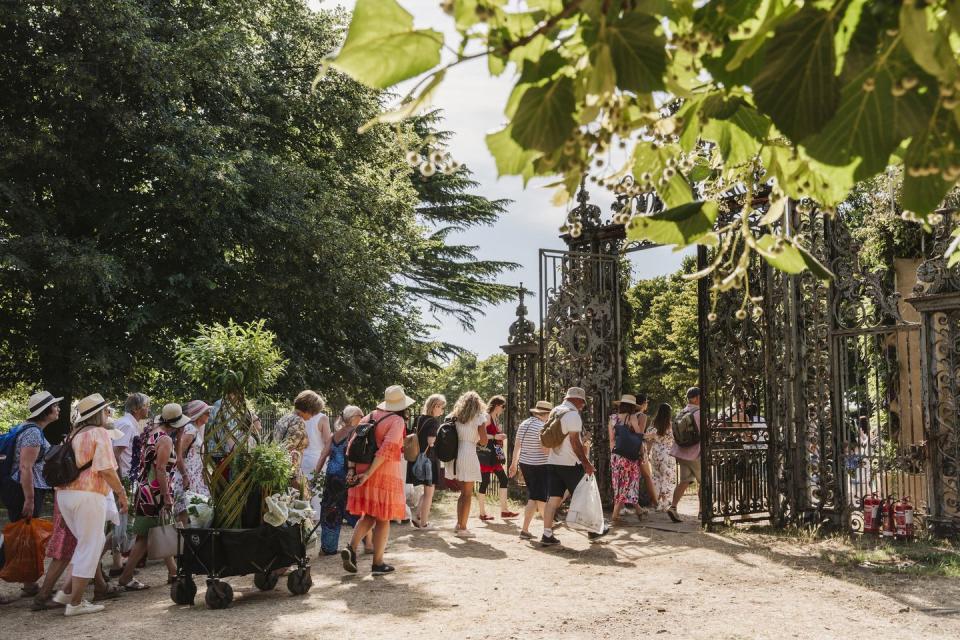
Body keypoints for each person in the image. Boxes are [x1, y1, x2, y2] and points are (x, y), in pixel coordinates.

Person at [51, 394, 128, 616]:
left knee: (85, 544)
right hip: (88, 495)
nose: (109, 414)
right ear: (97, 414)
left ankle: (66, 592)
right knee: (91, 546)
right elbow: (106, 469)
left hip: (66, 495)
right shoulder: (99, 433)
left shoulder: (73, 434)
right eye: (106, 411)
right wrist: (121, 494)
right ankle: (75, 603)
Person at [341, 386, 412, 576]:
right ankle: (378, 563)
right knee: (383, 518)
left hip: (361, 469)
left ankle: (351, 548)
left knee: (369, 515)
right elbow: (386, 450)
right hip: (381, 472)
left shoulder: (370, 416)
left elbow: (351, 446)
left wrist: (352, 470)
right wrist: (369, 474)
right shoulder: (397, 421)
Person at [117, 403, 189, 590]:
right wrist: (166, 496)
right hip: (155, 492)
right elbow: (160, 469)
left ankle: (173, 571)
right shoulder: (165, 440)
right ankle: (126, 577)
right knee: (144, 537)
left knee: (158, 530)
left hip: (147, 490)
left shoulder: (153, 434)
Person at [0, 390, 61, 603]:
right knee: (15, 538)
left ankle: (29, 584)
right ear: (46, 411)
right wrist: (30, 499)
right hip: (23, 489)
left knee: (25, 536)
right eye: (54, 406)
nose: (58, 409)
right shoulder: (33, 433)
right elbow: (25, 467)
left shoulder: (26, 429)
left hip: (21, 488)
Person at [541, 387, 596, 547]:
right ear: (577, 400)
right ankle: (593, 531)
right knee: (584, 496)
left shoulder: (555, 411)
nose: (583, 406)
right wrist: (586, 463)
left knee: (553, 499)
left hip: (553, 462)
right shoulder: (573, 415)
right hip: (570, 464)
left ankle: (547, 534)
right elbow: (575, 443)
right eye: (583, 403)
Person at [317, 405, 368, 555]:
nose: (363, 417)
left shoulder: (334, 435)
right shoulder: (355, 433)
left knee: (330, 510)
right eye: (361, 415)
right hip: (347, 477)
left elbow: (322, 456)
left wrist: (315, 475)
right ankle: (369, 542)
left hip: (331, 478)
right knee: (354, 510)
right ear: (353, 418)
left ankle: (328, 547)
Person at [443, 391, 488, 538]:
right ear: (477, 404)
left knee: (462, 493)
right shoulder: (479, 417)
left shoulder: (454, 417)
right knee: (468, 494)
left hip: (455, 455)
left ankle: (458, 524)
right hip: (468, 453)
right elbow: (483, 441)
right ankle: (463, 528)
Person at [508, 400, 552, 540]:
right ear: (546, 414)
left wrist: (514, 464)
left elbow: (517, 447)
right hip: (540, 465)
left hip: (525, 464)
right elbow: (545, 450)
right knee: (541, 499)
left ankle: (526, 530)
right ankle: (548, 530)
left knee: (534, 497)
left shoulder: (524, 424)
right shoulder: (542, 426)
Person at [171, 400, 212, 526]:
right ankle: (181, 541)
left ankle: (189, 541)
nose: (209, 416)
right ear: (199, 414)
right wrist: (184, 476)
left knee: (198, 512)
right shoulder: (190, 430)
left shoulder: (195, 430)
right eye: (207, 413)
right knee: (185, 513)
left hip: (195, 477)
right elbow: (178, 455)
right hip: (187, 477)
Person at [477, 395, 518, 521]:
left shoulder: (495, 418)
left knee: (503, 479)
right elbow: (479, 435)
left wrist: (499, 436)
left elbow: (493, 435)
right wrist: (495, 436)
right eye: (503, 406)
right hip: (486, 453)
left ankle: (504, 510)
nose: (504, 409)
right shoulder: (487, 416)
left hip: (494, 453)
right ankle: (482, 513)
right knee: (485, 481)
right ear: (496, 405)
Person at [408, 394, 446, 529]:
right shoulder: (434, 422)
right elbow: (431, 442)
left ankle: (418, 516)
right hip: (429, 459)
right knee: (429, 491)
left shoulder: (419, 418)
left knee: (426, 490)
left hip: (417, 457)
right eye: (441, 407)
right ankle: (424, 523)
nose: (442, 410)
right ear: (435, 406)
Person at [608, 394, 647, 524]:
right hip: (629, 457)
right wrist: (641, 454)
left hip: (616, 456)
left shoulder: (612, 418)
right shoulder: (632, 417)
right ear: (632, 407)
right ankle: (615, 516)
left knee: (620, 484)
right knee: (628, 483)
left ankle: (639, 509)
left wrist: (614, 455)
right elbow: (638, 437)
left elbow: (612, 440)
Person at [667, 387, 702, 523]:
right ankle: (702, 512)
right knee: (703, 482)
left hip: (681, 453)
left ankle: (673, 507)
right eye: (699, 396)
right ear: (695, 398)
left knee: (684, 481)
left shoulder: (682, 412)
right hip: (695, 453)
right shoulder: (699, 413)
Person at [645, 403, 677, 512]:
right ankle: (665, 502)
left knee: (656, 477)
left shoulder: (653, 424)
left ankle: (657, 502)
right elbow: (676, 440)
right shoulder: (671, 425)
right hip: (668, 454)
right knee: (667, 477)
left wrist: (648, 452)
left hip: (656, 453)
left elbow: (648, 439)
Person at [112, 392, 150, 481]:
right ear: (135, 408)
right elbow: (114, 455)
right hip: (125, 477)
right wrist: (120, 481)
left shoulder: (126, 422)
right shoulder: (127, 425)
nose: (149, 408)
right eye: (146, 405)